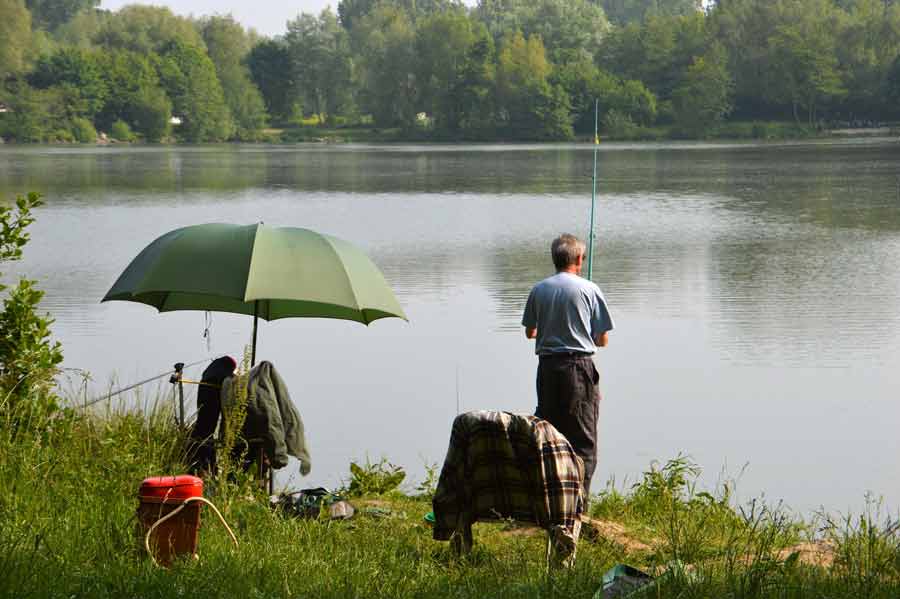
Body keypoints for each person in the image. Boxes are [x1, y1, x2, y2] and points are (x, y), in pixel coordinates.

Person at [522, 233, 614, 497]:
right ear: (579, 259)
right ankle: (578, 504)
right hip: (579, 367)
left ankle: (548, 498)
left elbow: (530, 332)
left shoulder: (539, 289)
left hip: (547, 369)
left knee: (549, 434)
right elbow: (603, 339)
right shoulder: (589, 289)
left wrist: (552, 330)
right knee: (583, 439)